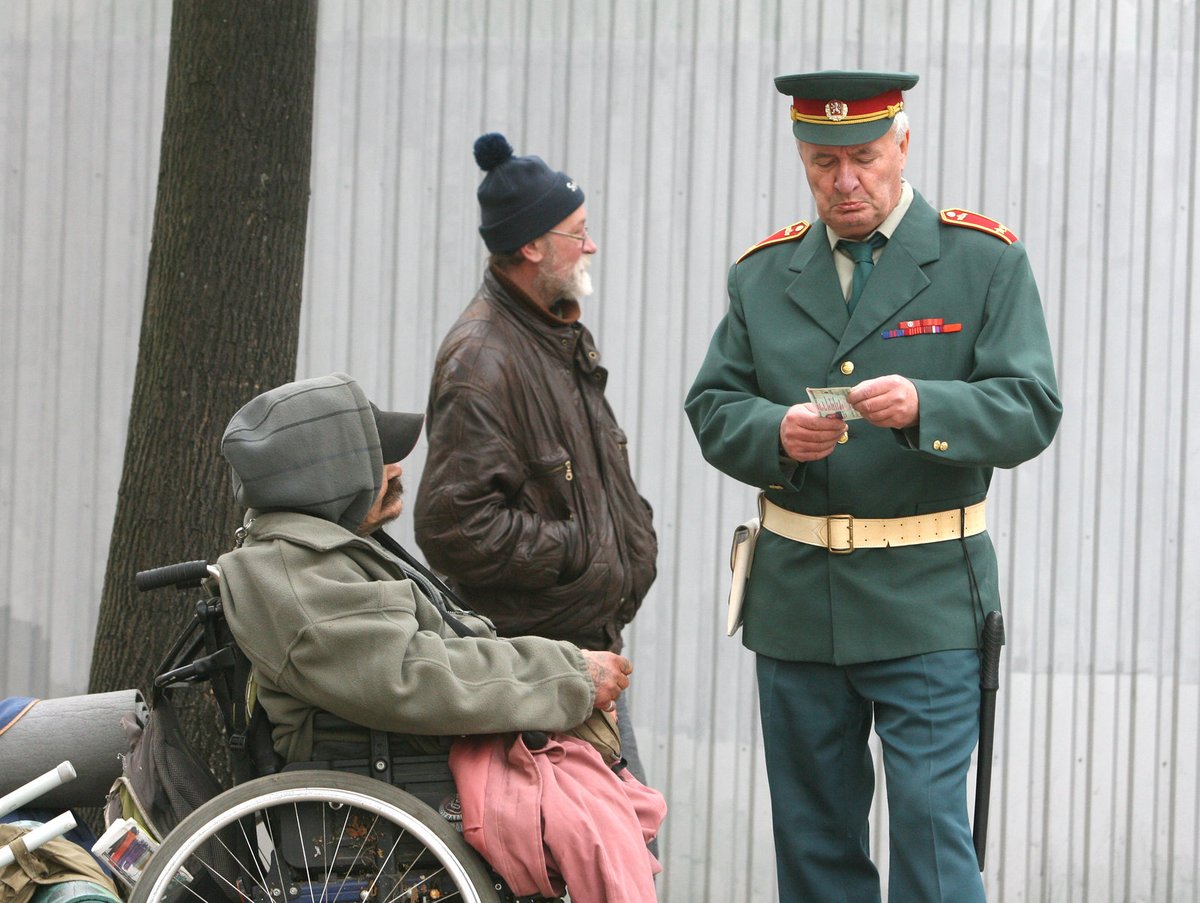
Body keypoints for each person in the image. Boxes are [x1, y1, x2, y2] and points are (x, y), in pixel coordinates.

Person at [685, 70, 1062, 902]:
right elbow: (712, 405)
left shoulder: (981, 261)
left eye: (862, 157)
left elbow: (1031, 406)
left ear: (902, 146)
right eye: (823, 162)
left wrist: (930, 403)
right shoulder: (762, 273)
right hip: (795, 603)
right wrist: (773, 433)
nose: (844, 181)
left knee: (932, 841)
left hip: (926, 600)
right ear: (803, 158)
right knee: (814, 843)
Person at [216, 371, 632, 764]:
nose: (397, 468)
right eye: (379, 457)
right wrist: (568, 677)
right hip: (403, 771)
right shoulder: (296, 572)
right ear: (326, 476)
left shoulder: (322, 552)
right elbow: (412, 676)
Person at [413, 133, 658, 789]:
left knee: (621, 861)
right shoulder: (483, 361)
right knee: (613, 871)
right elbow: (452, 526)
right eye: (577, 232)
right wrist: (577, 549)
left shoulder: (553, 332)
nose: (591, 244)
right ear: (531, 246)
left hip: (582, 658)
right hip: (539, 670)